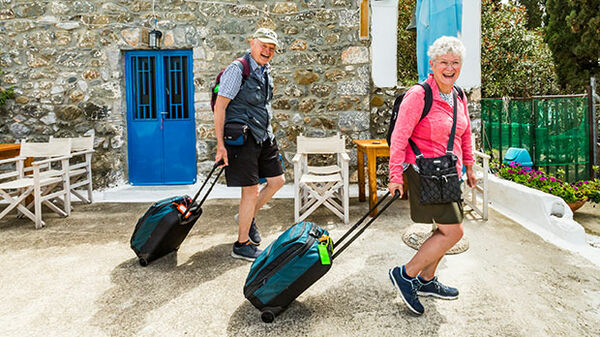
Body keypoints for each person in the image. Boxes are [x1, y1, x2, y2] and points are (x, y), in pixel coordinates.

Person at [387, 36, 476, 315]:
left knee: (443, 228)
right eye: (444, 62)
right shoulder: (419, 95)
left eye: (455, 62)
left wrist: (470, 166)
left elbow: (465, 134)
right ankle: (407, 274)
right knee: (453, 231)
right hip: (424, 172)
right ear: (432, 64)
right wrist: (394, 176)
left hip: (450, 174)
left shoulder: (459, 95)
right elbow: (399, 137)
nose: (450, 68)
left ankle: (426, 281)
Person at [213, 28, 285, 261]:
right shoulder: (238, 70)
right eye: (263, 45)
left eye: (271, 48)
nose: (267, 51)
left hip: (263, 135)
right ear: (252, 43)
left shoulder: (265, 70)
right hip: (242, 138)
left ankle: (246, 217)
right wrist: (220, 145)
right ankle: (242, 244)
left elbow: (263, 106)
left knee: (277, 181)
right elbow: (220, 107)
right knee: (250, 190)